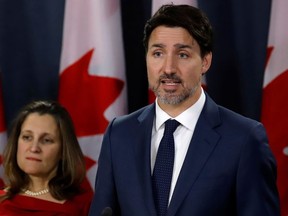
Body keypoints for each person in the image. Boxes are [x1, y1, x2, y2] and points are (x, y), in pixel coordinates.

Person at [88, 4, 280, 216]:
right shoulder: (119, 134)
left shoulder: (244, 139)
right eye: (158, 53)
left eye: (183, 55)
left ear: (205, 61)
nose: (168, 68)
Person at [0, 100, 93, 215]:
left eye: (46, 140)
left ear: (63, 151)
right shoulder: (2, 199)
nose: (34, 148)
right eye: (27, 137)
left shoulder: (85, 204)